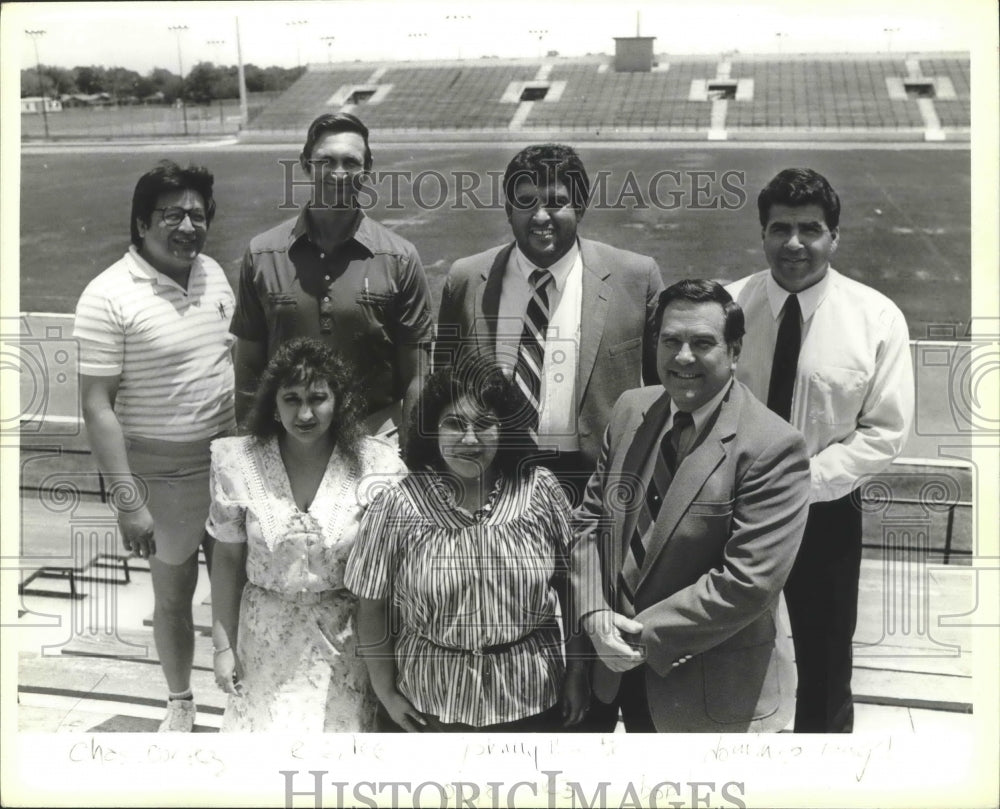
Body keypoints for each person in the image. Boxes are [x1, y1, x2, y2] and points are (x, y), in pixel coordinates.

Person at [570, 279, 811, 732]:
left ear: (735, 351)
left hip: (702, 689)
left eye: (702, 343)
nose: (683, 357)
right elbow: (589, 522)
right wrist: (594, 612)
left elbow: (748, 582)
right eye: (670, 341)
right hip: (607, 671)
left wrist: (632, 635)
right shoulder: (629, 410)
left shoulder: (774, 446)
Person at [726, 168, 914, 733]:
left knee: (825, 658)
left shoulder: (876, 318)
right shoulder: (729, 305)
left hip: (825, 514)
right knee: (727, 648)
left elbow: (885, 429)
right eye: (780, 228)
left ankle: (823, 777)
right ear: (762, 233)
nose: (794, 244)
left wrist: (802, 481)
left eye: (810, 229)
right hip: (732, 510)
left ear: (835, 236)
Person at [74, 160, 235, 732]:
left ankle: (243, 701)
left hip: (227, 462)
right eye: (173, 215)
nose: (188, 226)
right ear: (142, 223)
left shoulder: (214, 273)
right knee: (175, 595)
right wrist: (127, 499)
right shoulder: (107, 295)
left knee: (238, 592)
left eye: (198, 214)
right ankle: (180, 702)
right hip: (160, 474)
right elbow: (97, 406)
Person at [345, 358, 589, 732]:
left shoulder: (539, 491)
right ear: (432, 431)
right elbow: (371, 606)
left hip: (532, 699)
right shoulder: (398, 504)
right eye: (454, 424)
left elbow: (573, 588)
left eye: (484, 424)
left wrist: (576, 670)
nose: (470, 440)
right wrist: (386, 693)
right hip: (431, 706)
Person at [435, 142, 665, 505]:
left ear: (581, 207)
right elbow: (442, 388)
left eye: (556, 201)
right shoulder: (466, 279)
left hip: (596, 479)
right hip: (495, 475)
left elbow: (662, 390)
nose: (541, 216)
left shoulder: (635, 277)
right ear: (509, 210)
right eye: (526, 202)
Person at [207, 338, 405, 732]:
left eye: (318, 398)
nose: (305, 412)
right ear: (274, 407)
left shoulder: (377, 467)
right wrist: (222, 648)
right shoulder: (237, 462)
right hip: (262, 643)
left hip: (345, 647)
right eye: (292, 399)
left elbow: (394, 574)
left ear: (339, 402)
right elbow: (227, 560)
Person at [230, 112, 435, 437]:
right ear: (305, 164)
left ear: (367, 169)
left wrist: (413, 453)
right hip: (288, 440)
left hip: (375, 440)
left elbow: (417, 374)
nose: (338, 173)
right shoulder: (262, 254)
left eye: (351, 162)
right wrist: (248, 446)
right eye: (326, 160)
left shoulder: (400, 257)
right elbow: (248, 369)